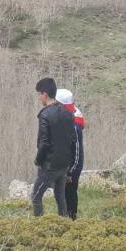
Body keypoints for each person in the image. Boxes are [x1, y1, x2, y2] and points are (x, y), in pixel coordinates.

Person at [32, 77, 76, 217]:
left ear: (44, 94)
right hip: (64, 164)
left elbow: (44, 143)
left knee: (36, 196)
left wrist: (38, 160)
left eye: (39, 94)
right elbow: (73, 141)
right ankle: (62, 222)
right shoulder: (68, 113)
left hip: (49, 165)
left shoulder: (45, 115)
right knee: (60, 196)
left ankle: (38, 226)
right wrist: (70, 163)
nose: (39, 97)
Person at [58, 89, 84, 219]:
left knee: (70, 192)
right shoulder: (72, 115)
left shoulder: (73, 124)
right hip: (66, 165)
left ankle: (72, 219)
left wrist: (70, 172)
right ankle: (65, 217)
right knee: (63, 193)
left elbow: (76, 151)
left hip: (72, 167)